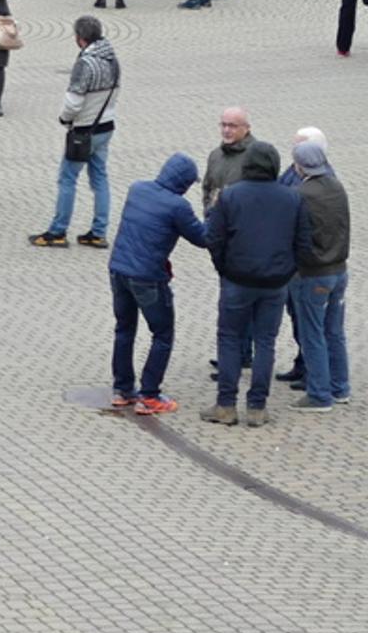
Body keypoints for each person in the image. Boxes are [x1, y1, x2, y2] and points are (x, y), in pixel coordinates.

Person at [203, 143, 309, 425]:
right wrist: (288, 271)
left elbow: (214, 238)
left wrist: (224, 268)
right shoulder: (292, 198)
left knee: (229, 339)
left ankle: (226, 405)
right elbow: (303, 244)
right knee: (266, 342)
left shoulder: (230, 197)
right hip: (275, 282)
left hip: (237, 279)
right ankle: (257, 407)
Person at [106, 154, 208, 414]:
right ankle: (149, 394)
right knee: (162, 334)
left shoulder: (137, 189)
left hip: (118, 269)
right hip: (147, 278)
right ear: (184, 182)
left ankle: (122, 390)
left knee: (124, 329)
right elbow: (202, 238)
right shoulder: (178, 206)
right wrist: (218, 213)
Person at [31, 15, 120, 249]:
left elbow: (73, 102)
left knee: (67, 178)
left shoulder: (85, 63)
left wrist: (65, 119)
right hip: (106, 125)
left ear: (80, 39)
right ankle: (99, 232)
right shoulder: (113, 60)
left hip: (84, 130)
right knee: (100, 177)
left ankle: (58, 230)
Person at [285, 137, 349, 410]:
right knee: (334, 331)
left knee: (313, 333)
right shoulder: (336, 186)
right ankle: (340, 387)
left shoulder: (301, 194)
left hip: (313, 274)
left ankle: (319, 394)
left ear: (300, 166)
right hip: (339, 270)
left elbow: (293, 234)